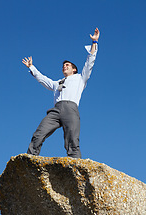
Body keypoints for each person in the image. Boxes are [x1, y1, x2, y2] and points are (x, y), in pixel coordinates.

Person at [22, 27, 100, 158]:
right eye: (64, 65)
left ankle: (75, 165)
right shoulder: (57, 82)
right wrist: (31, 67)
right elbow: (43, 80)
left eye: (68, 65)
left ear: (74, 69)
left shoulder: (80, 78)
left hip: (71, 109)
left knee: (72, 140)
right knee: (39, 133)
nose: (65, 66)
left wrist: (94, 43)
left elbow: (89, 62)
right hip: (56, 110)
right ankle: (30, 158)